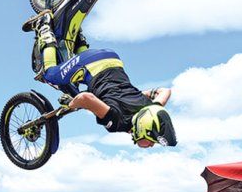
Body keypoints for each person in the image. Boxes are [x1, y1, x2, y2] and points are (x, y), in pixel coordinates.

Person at [29, 12, 176, 148]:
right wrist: (71, 105)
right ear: (144, 130)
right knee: (50, 75)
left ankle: (78, 36)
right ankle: (44, 27)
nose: (151, 146)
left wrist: (138, 95)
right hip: (90, 65)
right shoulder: (117, 122)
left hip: (112, 59)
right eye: (152, 141)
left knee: (75, 88)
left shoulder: (151, 108)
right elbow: (85, 97)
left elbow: (165, 91)